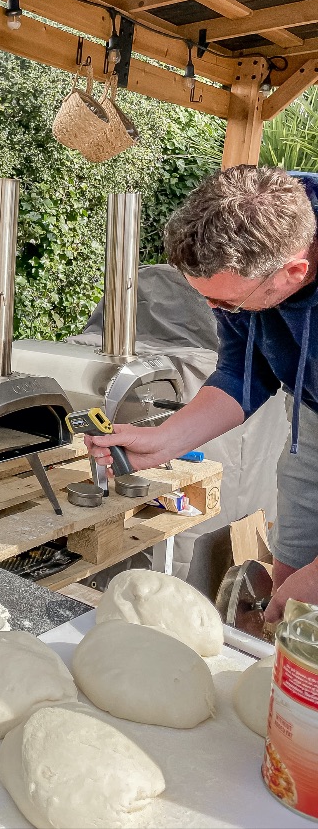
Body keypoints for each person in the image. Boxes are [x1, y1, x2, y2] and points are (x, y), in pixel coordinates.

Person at [85, 166, 318, 622]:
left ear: (294, 271)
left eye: (228, 302)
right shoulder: (261, 227)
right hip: (310, 412)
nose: (216, 310)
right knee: (293, 583)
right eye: (206, 298)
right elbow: (242, 373)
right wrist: (166, 440)